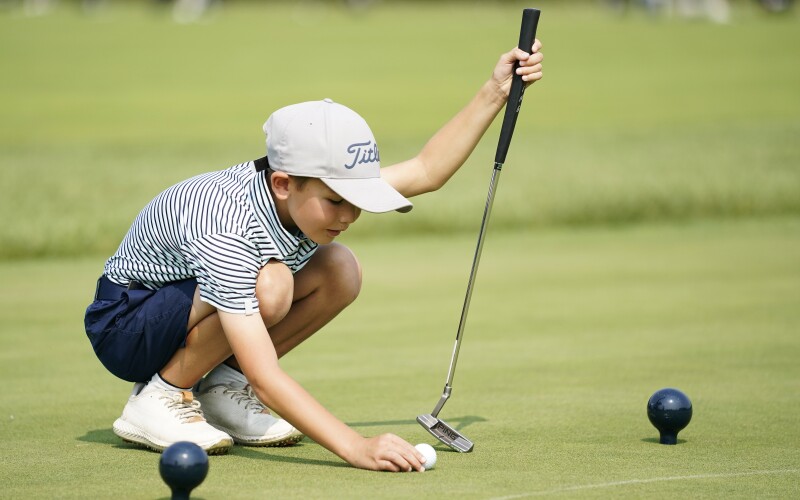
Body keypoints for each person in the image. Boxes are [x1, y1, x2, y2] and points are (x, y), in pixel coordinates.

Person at [84, 40, 543, 472]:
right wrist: (356, 447)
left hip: (184, 310)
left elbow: (426, 170)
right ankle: (162, 395)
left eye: (355, 200)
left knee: (340, 269)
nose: (348, 215)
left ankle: (222, 389)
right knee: (272, 286)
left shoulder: (304, 188)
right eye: (336, 200)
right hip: (126, 325)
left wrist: (495, 91)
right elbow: (266, 376)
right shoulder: (228, 224)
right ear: (283, 183)